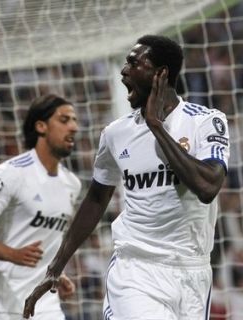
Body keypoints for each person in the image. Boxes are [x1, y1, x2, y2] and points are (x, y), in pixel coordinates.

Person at [23, 35, 230, 320]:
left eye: (134, 63)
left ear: (161, 74)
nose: (124, 71)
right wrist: (55, 267)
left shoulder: (206, 121)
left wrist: (157, 127)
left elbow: (208, 186)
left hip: (193, 271)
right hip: (136, 269)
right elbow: (97, 197)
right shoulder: (116, 133)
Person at [0, 94, 82, 320]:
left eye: (74, 120)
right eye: (64, 120)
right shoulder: (12, 174)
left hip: (45, 305)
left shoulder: (72, 184)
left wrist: (55, 273)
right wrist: (12, 254)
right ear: (41, 126)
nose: (74, 127)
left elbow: (45, 239)